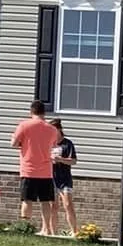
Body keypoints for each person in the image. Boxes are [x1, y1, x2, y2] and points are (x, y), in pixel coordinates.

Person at [10, 100, 60, 235]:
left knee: (27, 200)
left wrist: (18, 141)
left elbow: (14, 144)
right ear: (44, 112)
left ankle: (24, 227)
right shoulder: (52, 129)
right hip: (46, 171)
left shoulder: (24, 125)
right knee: (45, 201)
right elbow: (54, 146)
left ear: (31, 111)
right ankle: (46, 229)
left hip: (28, 170)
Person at [51, 118, 79, 236]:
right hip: (51, 177)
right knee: (53, 206)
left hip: (65, 178)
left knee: (68, 204)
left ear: (59, 129)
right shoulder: (49, 143)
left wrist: (60, 159)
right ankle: (53, 233)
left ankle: (74, 231)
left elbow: (73, 161)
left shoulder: (67, 144)